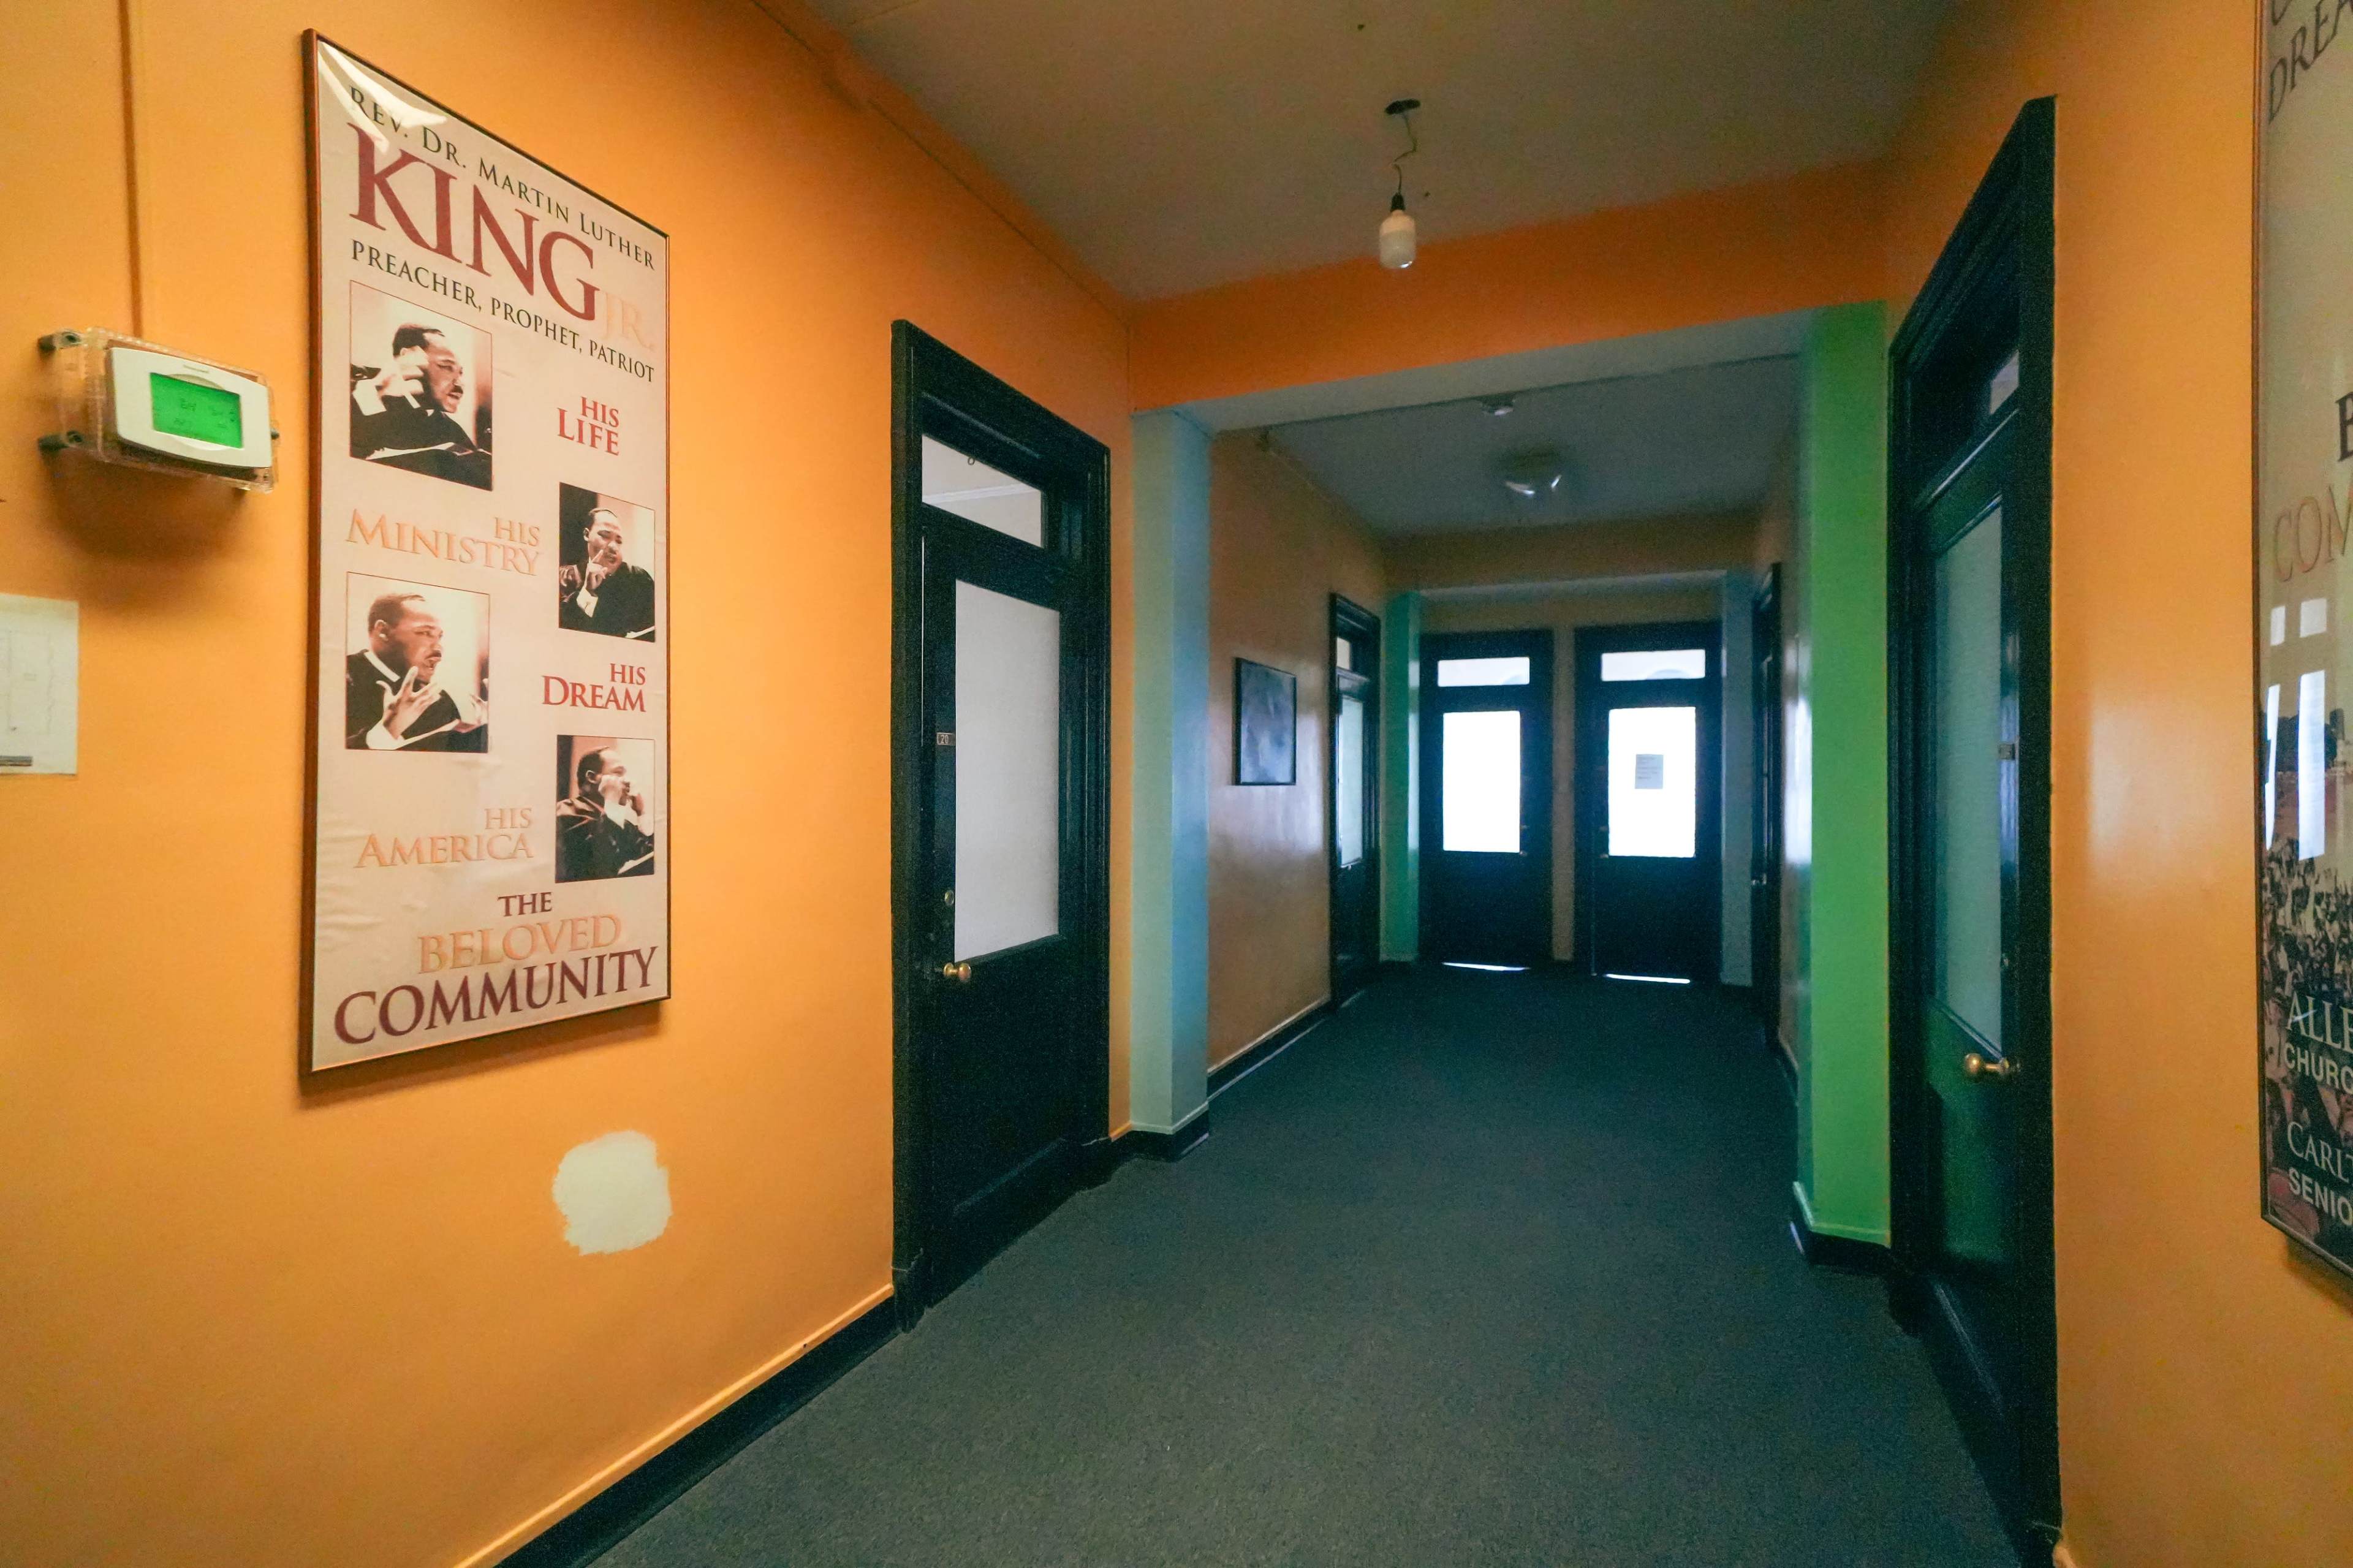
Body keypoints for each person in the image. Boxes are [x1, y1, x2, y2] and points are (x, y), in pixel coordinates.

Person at [349, 325, 491, 490]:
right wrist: (374, 394)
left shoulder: (452, 432)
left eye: (460, 373)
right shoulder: (354, 391)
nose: (460, 383)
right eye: (446, 367)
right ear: (408, 358)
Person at [345, 591, 488, 752]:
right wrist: (387, 731)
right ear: (383, 631)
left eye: (439, 637)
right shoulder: (337, 678)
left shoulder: (440, 700)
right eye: (425, 633)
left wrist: (484, 733)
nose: (438, 650)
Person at [557, 506, 659, 640]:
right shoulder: (565, 578)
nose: (614, 547)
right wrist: (587, 592)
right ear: (587, 535)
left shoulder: (639, 579)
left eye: (619, 541)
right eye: (605, 536)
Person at [556, 747, 656, 881]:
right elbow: (601, 866)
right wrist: (613, 802)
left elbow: (650, 858)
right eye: (618, 773)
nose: (627, 781)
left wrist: (641, 813)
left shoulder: (620, 822)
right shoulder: (566, 811)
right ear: (592, 777)